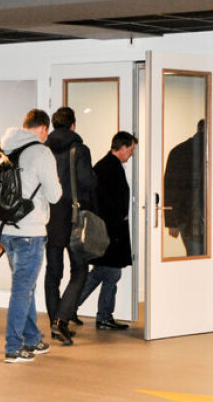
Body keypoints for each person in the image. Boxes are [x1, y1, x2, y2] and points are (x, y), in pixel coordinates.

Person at [0, 109, 61, 363]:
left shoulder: (4, 147)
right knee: (22, 291)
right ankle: (13, 347)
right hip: (31, 232)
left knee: (26, 287)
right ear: (44, 129)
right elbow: (55, 195)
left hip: (8, 231)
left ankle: (32, 339)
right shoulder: (42, 152)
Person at [44, 107, 97, 345]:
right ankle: (61, 322)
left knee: (53, 272)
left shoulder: (43, 150)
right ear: (73, 125)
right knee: (80, 270)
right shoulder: (80, 149)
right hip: (74, 218)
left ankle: (55, 321)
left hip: (49, 217)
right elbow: (87, 181)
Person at [78, 131, 137, 331]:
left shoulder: (107, 166)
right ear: (122, 147)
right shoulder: (108, 167)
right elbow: (104, 200)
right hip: (110, 230)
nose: (132, 154)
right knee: (111, 274)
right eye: (131, 149)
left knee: (102, 272)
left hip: (109, 228)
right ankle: (103, 317)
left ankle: (69, 308)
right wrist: (119, 216)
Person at [164, 119, 205, 256]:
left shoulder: (178, 151)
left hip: (184, 216)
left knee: (195, 257)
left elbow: (169, 188)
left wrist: (172, 222)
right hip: (198, 217)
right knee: (201, 258)